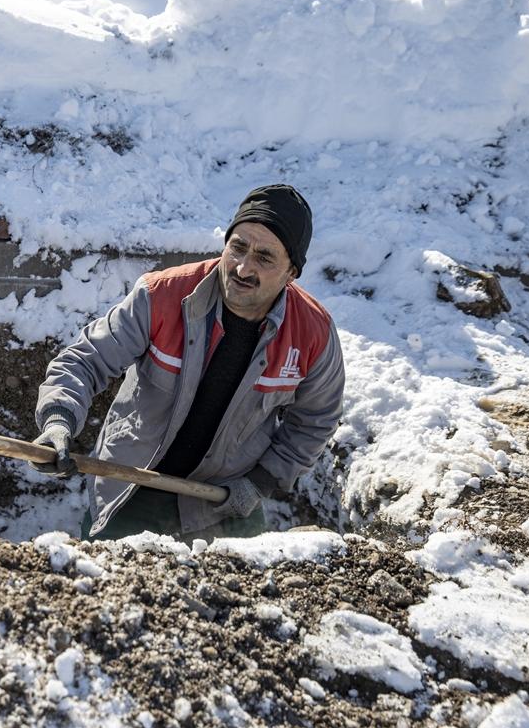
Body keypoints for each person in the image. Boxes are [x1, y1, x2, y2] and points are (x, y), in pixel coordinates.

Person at [31, 185, 345, 542]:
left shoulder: (312, 334)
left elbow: (315, 420)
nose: (243, 268)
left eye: (264, 257)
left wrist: (262, 482)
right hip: (133, 485)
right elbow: (85, 361)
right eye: (238, 247)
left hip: (226, 500)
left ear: (292, 273)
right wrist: (59, 421)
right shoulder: (162, 296)